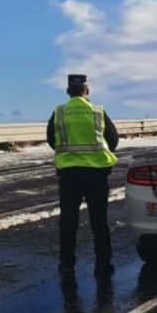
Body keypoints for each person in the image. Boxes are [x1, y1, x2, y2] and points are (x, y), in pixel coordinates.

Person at [46, 74, 119, 277]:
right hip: (96, 174)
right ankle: (103, 263)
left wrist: (69, 154)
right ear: (87, 91)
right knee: (99, 221)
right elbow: (113, 139)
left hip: (69, 173)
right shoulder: (97, 111)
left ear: (68, 92)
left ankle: (67, 263)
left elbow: (51, 139)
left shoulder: (59, 112)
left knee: (68, 221)